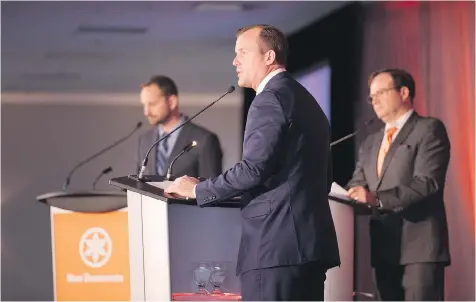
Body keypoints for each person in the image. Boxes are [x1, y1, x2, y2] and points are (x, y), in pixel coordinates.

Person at [165, 24, 340, 301]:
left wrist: (196, 190)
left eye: (243, 53)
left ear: (269, 57)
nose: (235, 61)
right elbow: (325, 175)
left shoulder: (269, 99)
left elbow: (253, 169)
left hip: (275, 248)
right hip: (309, 247)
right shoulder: (306, 99)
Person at [346, 68, 451, 301]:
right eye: (371, 96)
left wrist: (377, 198)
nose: (375, 100)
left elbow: (427, 182)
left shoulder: (429, 129)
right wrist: (341, 199)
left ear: (404, 93)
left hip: (419, 249)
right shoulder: (370, 142)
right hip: (384, 249)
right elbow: (358, 185)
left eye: (381, 92)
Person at [137, 75, 223, 179]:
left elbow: (211, 189)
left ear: (172, 102)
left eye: (152, 104)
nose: (146, 112)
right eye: (144, 105)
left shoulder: (205, 139)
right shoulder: (145, 140)